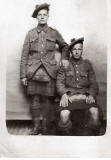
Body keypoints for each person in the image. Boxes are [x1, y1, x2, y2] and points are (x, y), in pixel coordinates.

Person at [20, 3, 69, 135]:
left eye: (44, 15)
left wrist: (64, 58)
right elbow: (24, 56)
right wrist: (23, 75)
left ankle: (46, 128)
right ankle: (36, 127)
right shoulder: (30, 34)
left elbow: (65, 46)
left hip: (49, 72)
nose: (42, 17)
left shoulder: (54, 33)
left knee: (48, 100)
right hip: (32, 72)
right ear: (36, 17)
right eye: (39, 15)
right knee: (35, 99)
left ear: (48, 16)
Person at [56, 37, 103, 135]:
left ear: (82, 50)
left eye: (79, 49)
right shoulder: (65, 64)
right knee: (64, 115)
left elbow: (93, 83)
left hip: (85, 96)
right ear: (71, 51)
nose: (77, 52)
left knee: (95, 113)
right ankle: (66, 140)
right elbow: (59, 83)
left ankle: (92, 140)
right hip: (70, 97)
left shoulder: (87, 64)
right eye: (74, 49)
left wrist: (91, 94)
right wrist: (64, 94)